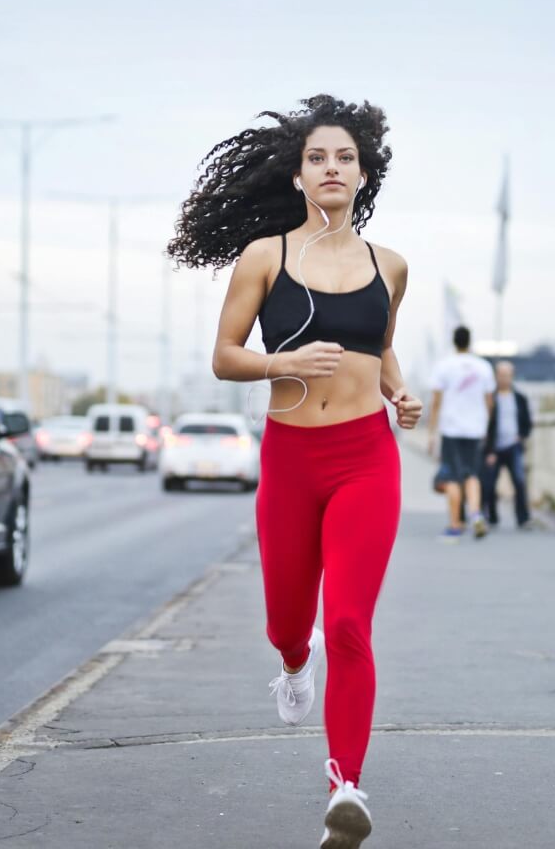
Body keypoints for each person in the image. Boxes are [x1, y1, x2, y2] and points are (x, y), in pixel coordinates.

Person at [168, 95, 422, 849]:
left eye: (345, 157)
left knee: (347, 621)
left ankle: (346, 785)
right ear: (299, 176)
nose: (332, 167)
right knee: (290, 620)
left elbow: (380, 349)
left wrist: (399, 393)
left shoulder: (391, 266)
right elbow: (224, 356)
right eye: (318, 158)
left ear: (364, 172)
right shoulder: (266, 257)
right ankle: (290, 662)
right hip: (291, 456)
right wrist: (283, 361)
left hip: (366, 459)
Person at [427, 325, 495, 539]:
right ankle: (475, 514)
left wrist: (431, 432)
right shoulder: (483, 367)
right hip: (475, 429)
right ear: (470, 341)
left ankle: (456, 524)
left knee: (454, 477)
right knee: (472, 474)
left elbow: (436, 402)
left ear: (454, 342)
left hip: (452, 428)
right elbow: (489, 402)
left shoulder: (444, 366)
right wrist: (484, 424)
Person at [482, 360, 533, 528]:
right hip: (494, 448)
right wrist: (489, 449)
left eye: (507, 375)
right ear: (496, 376)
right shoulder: (491, 398)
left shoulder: (520, 398)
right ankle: (492, 516)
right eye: (501, 375)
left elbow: (527, 422)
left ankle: (523, 518)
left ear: (512, 376)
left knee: (519, 481)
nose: (504, 378)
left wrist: (522, 436)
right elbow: (486, 424)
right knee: (489, 484)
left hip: (513, 446)